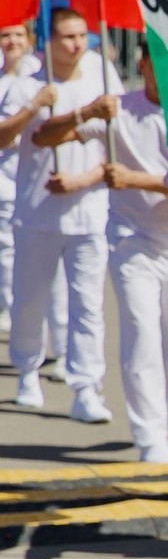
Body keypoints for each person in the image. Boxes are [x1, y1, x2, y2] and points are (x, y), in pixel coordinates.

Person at [34, 42, 168, 463]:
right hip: (131, 239)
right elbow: (44, 136)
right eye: (155, 63)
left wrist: (136, 179)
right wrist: (85, 113)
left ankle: (164, 420)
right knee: (141, 330)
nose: (163, 71)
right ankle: (150, 436)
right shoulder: (117, 108)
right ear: (142, 65)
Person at [0, 8, 121, 421]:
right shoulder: (28, 83)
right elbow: (10, 138)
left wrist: (84, 178)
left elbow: (111, 136)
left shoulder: (100, 73)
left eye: (83, 35)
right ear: (49, 41)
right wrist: (39, 106)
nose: (77, 44)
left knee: (88, 305)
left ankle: (86, 386)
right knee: (30, 302)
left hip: (88, 212)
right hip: (37, 214)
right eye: (68, 37)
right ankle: (28, 370)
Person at [0, 24, 69, 379]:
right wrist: (33, 105)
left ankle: (62, 351)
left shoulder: (44, 77)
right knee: (22, 276)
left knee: (56, 279)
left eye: (18, 36)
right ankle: (28, 349)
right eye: (4, 36)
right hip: (11, 192)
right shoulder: (14, 86)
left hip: (38, 191)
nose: (11, 42)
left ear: (30, 41)